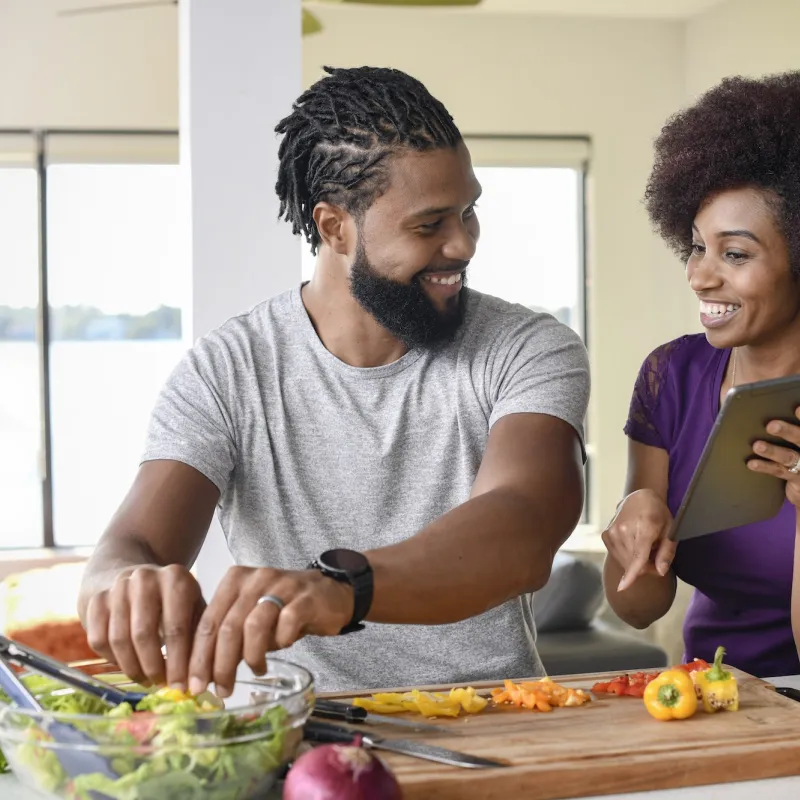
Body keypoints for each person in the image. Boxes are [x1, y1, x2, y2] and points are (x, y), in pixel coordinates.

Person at [78, 66, 590, 694]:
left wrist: (343, 588)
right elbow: (126, 547)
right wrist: (122, 585)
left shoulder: (526, 347)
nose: (463, 244)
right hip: (301, 727)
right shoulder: (226, 372)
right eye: (430, 225)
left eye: (469, 212)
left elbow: (523, 527)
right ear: (334, 227)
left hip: (500, 721)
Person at [602, 71, 800, 678]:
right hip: (708, 694)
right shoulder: (673, 376)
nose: (699, 277)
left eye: (734, 254)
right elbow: (638, 609)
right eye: (696, 247)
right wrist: (634, 516)